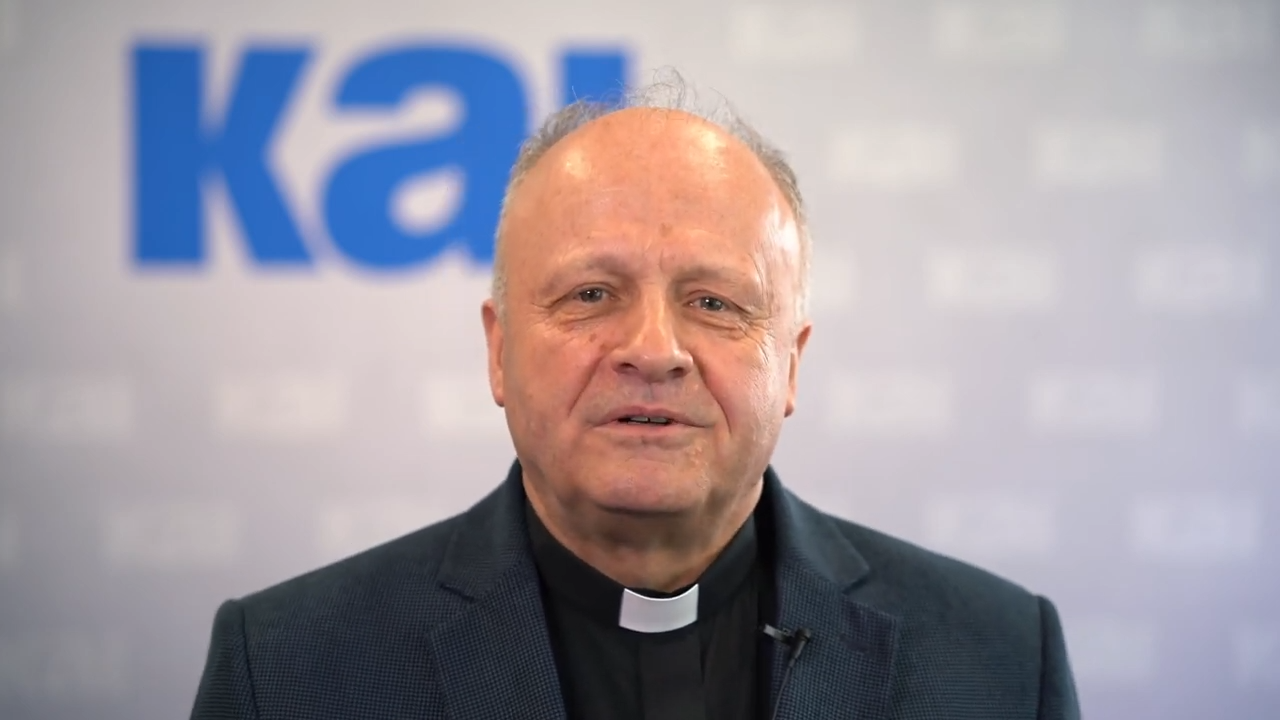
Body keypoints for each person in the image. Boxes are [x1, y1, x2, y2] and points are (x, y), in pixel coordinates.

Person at [190, 78, 1079, 720]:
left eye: (715, 303)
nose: (654, 351)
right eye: (590, 294)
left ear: (791, 366)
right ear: (498, 351)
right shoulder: (287, 670)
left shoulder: (1002, 661)